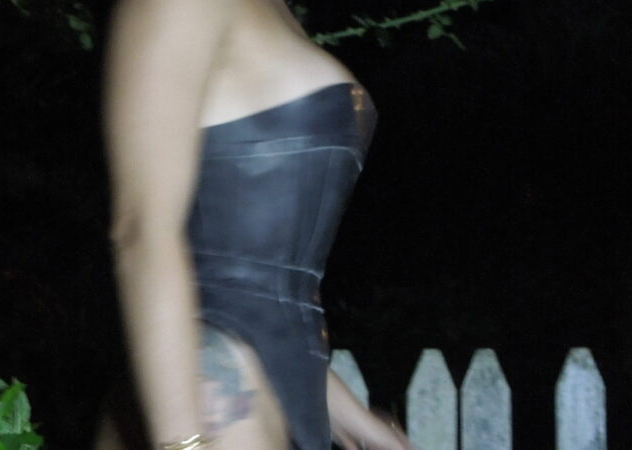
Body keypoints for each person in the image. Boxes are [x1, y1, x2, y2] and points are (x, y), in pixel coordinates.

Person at [95, 0, 414, 448]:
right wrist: (183, 442)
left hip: (270, 391)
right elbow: (142, 232)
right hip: (209, 397)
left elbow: (269, 303)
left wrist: (359, 423)